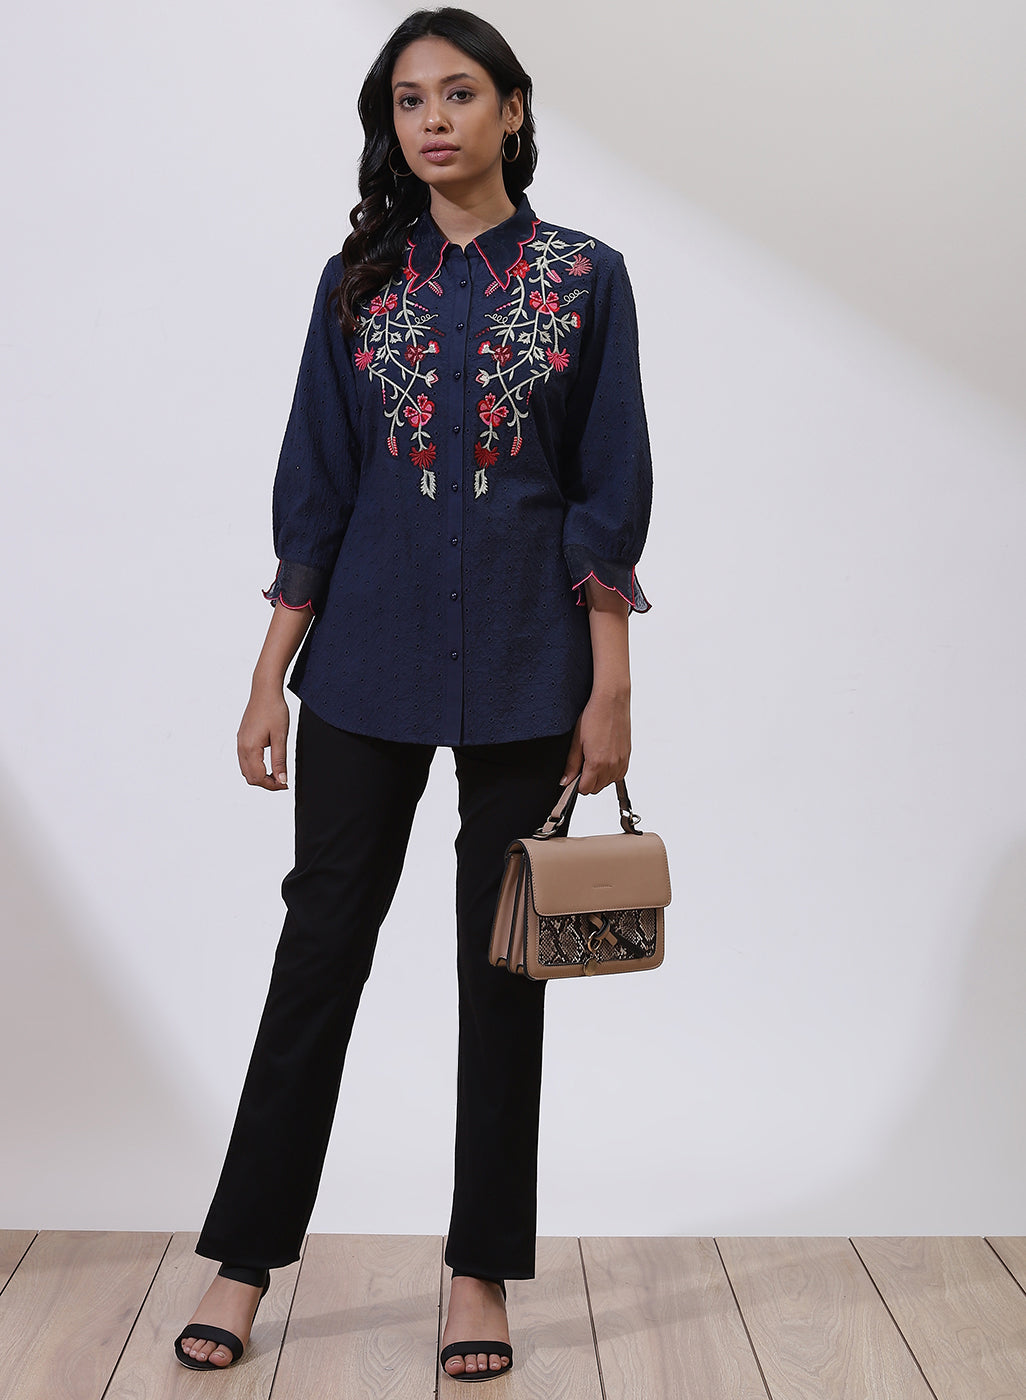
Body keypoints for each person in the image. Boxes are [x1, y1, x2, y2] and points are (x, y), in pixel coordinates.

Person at [173, 4, 652, 1384]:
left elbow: (607, 490)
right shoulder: (358, 284)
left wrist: (611, 685)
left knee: (504, 975)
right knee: (319, 950)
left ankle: (478, 1274)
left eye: (457, 93)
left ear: (511, 107)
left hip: (528, 669)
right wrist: (268, 676)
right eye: (406, 101)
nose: (431, 119)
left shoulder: (584, 278)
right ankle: (242, 1259)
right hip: (366, 664)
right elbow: (316, 486)